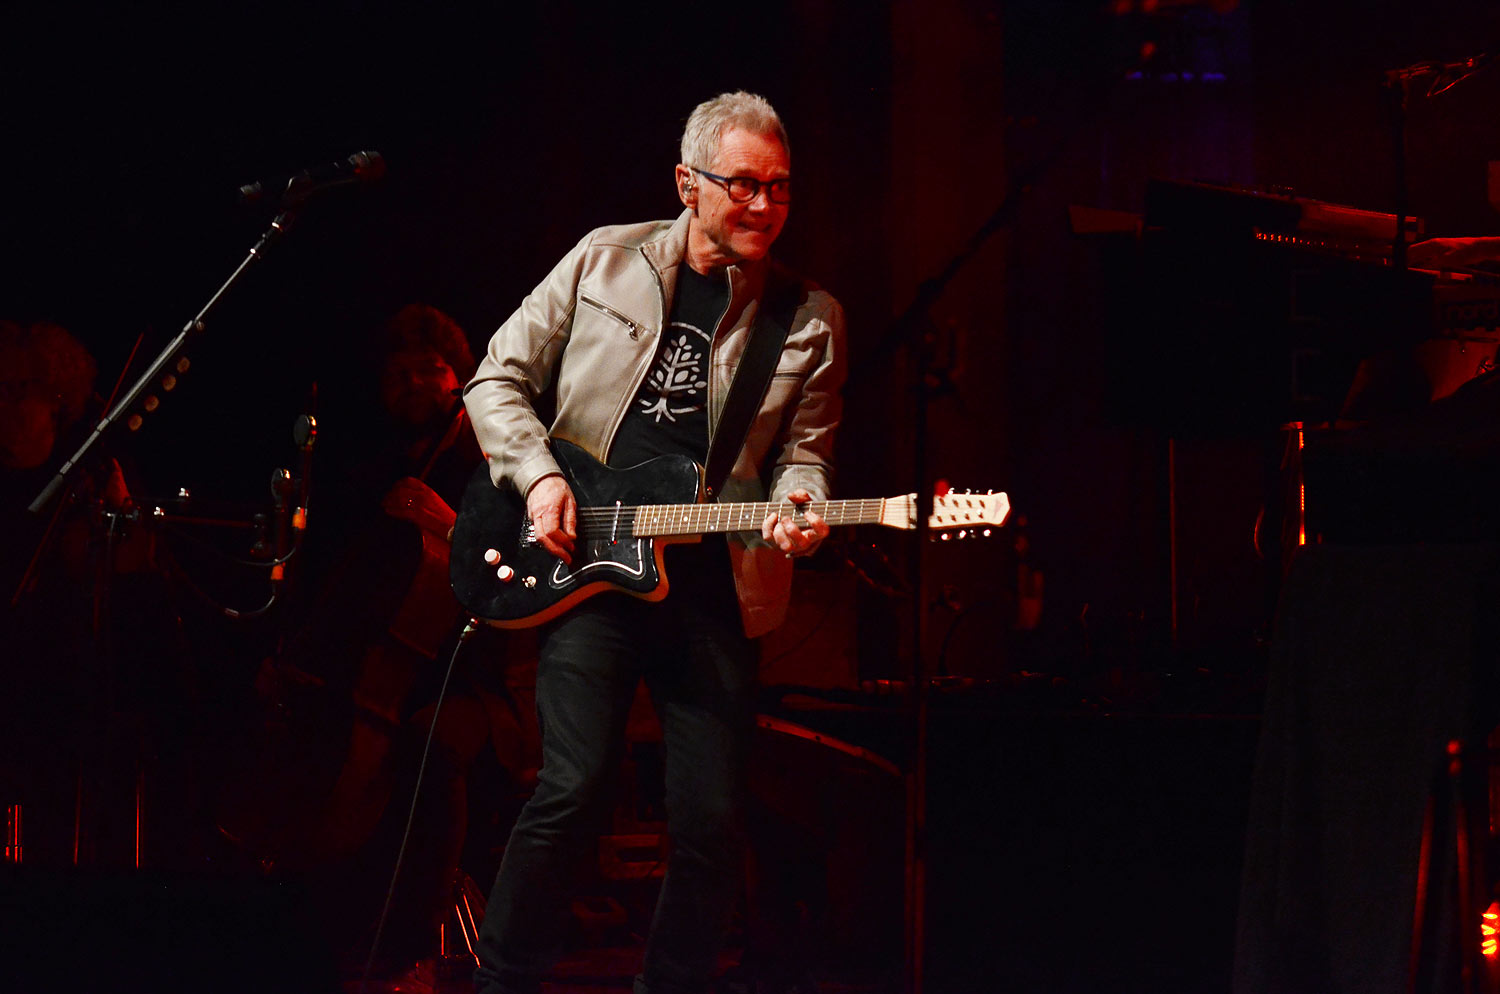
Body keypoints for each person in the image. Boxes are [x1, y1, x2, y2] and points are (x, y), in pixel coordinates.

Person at [463, 91, 847, 994]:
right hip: (592, 567)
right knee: (572, 788)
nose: (764, 205)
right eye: (743, 184)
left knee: (710, 823)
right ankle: (501, 983)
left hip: (715, 584)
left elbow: (806, 454)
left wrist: (802, 505)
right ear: (687, 182)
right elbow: (495, 378)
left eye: (780, 188)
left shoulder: (809, 315)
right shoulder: (603, 259)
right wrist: (542, 478)